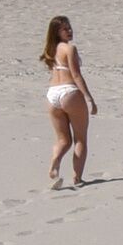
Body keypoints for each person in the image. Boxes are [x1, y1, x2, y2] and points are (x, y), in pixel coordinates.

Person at [41, 14, 94, 189]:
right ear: (57, 32)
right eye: (65, 29)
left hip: (52, 94)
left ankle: (55, 163)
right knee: (80, 139)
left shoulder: (51, 49)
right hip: (69, 91)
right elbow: (76, 75)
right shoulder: (69, 49)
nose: (69, 31)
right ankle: (77, 177)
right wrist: (88, 97)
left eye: (69, 27)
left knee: (63, 140)